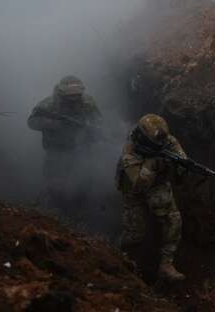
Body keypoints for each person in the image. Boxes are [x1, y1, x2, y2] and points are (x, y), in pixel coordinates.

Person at [115, 114, 186, 282]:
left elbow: (181, 162)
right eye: (157, 144)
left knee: (172, 221)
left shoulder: (167, 141)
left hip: (158, 184)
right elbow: (139, 185)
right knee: (135, 234)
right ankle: (119, 258)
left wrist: (180, 166)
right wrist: (152, 164)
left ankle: (166, 264)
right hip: (133, 187)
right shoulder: (129, 151)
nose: (162, 144)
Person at [27, 75, 102, 219]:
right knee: (54, 186)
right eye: (70, 96)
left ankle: (81, 213)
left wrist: (93, 129)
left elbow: (98, 120)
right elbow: (31, 122)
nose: (73, 99)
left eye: (76, 95)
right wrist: (55, 125)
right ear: (61, 92)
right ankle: (53, 216)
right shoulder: (49, 104)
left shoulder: (88, 102)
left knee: (84, 183)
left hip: (81, 151)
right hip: (56, 152)